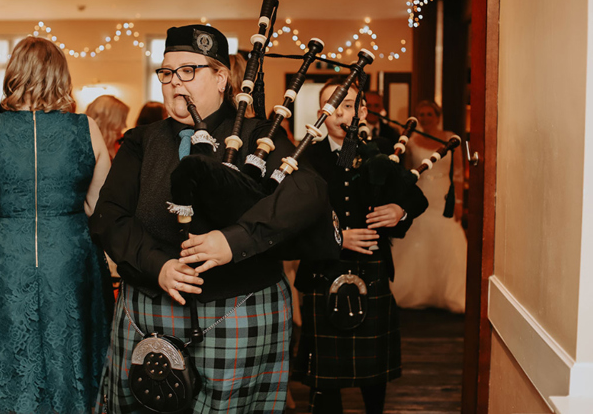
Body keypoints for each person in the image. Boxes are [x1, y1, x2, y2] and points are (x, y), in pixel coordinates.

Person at [90, 24, 333, 413]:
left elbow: (308, 191)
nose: (174, 83)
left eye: (189, 71)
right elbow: (109, 218)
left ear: (221, 78)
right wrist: (159, 266)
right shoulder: (141, 140)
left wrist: (233, 241)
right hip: (149, 309)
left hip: (240, 310)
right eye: (167, 73)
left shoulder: (259, 136)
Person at [0, 37, 112, 413]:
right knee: (71, 350)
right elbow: (96, 207)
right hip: (68, 253)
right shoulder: (86, 128)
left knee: (8, 351)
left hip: (5, 256)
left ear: (13, 74)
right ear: (60, 75)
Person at [294, 77, 428, 414]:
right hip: (322, 273)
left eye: (351, 104)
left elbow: (416, 198)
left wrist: (400, 211)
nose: (343, 112)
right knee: (325, 380)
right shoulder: (306, 155)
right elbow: (292, 223)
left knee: (374, 376)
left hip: (372, 270)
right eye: (335, 105)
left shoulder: (383, 150)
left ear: (364, 110)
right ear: (323, 113)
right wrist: (338, 238)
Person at [389, 100, 467, 313]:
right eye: (421, 114)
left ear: (437, 116)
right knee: (418, 238)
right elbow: (406, 172)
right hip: (421, 191)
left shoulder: (451, 138)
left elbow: (458, 173)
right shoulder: (412, 141)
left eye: (429, 114)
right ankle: (416, 290)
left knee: (448, 239)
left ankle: (450, 293)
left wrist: (459, 202)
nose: (425, 118)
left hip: (443, 193)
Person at [85, 95, 130, 159]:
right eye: (122, 120)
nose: (125, 126)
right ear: (109, 122)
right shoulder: (84, 146)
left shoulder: (125, 143)